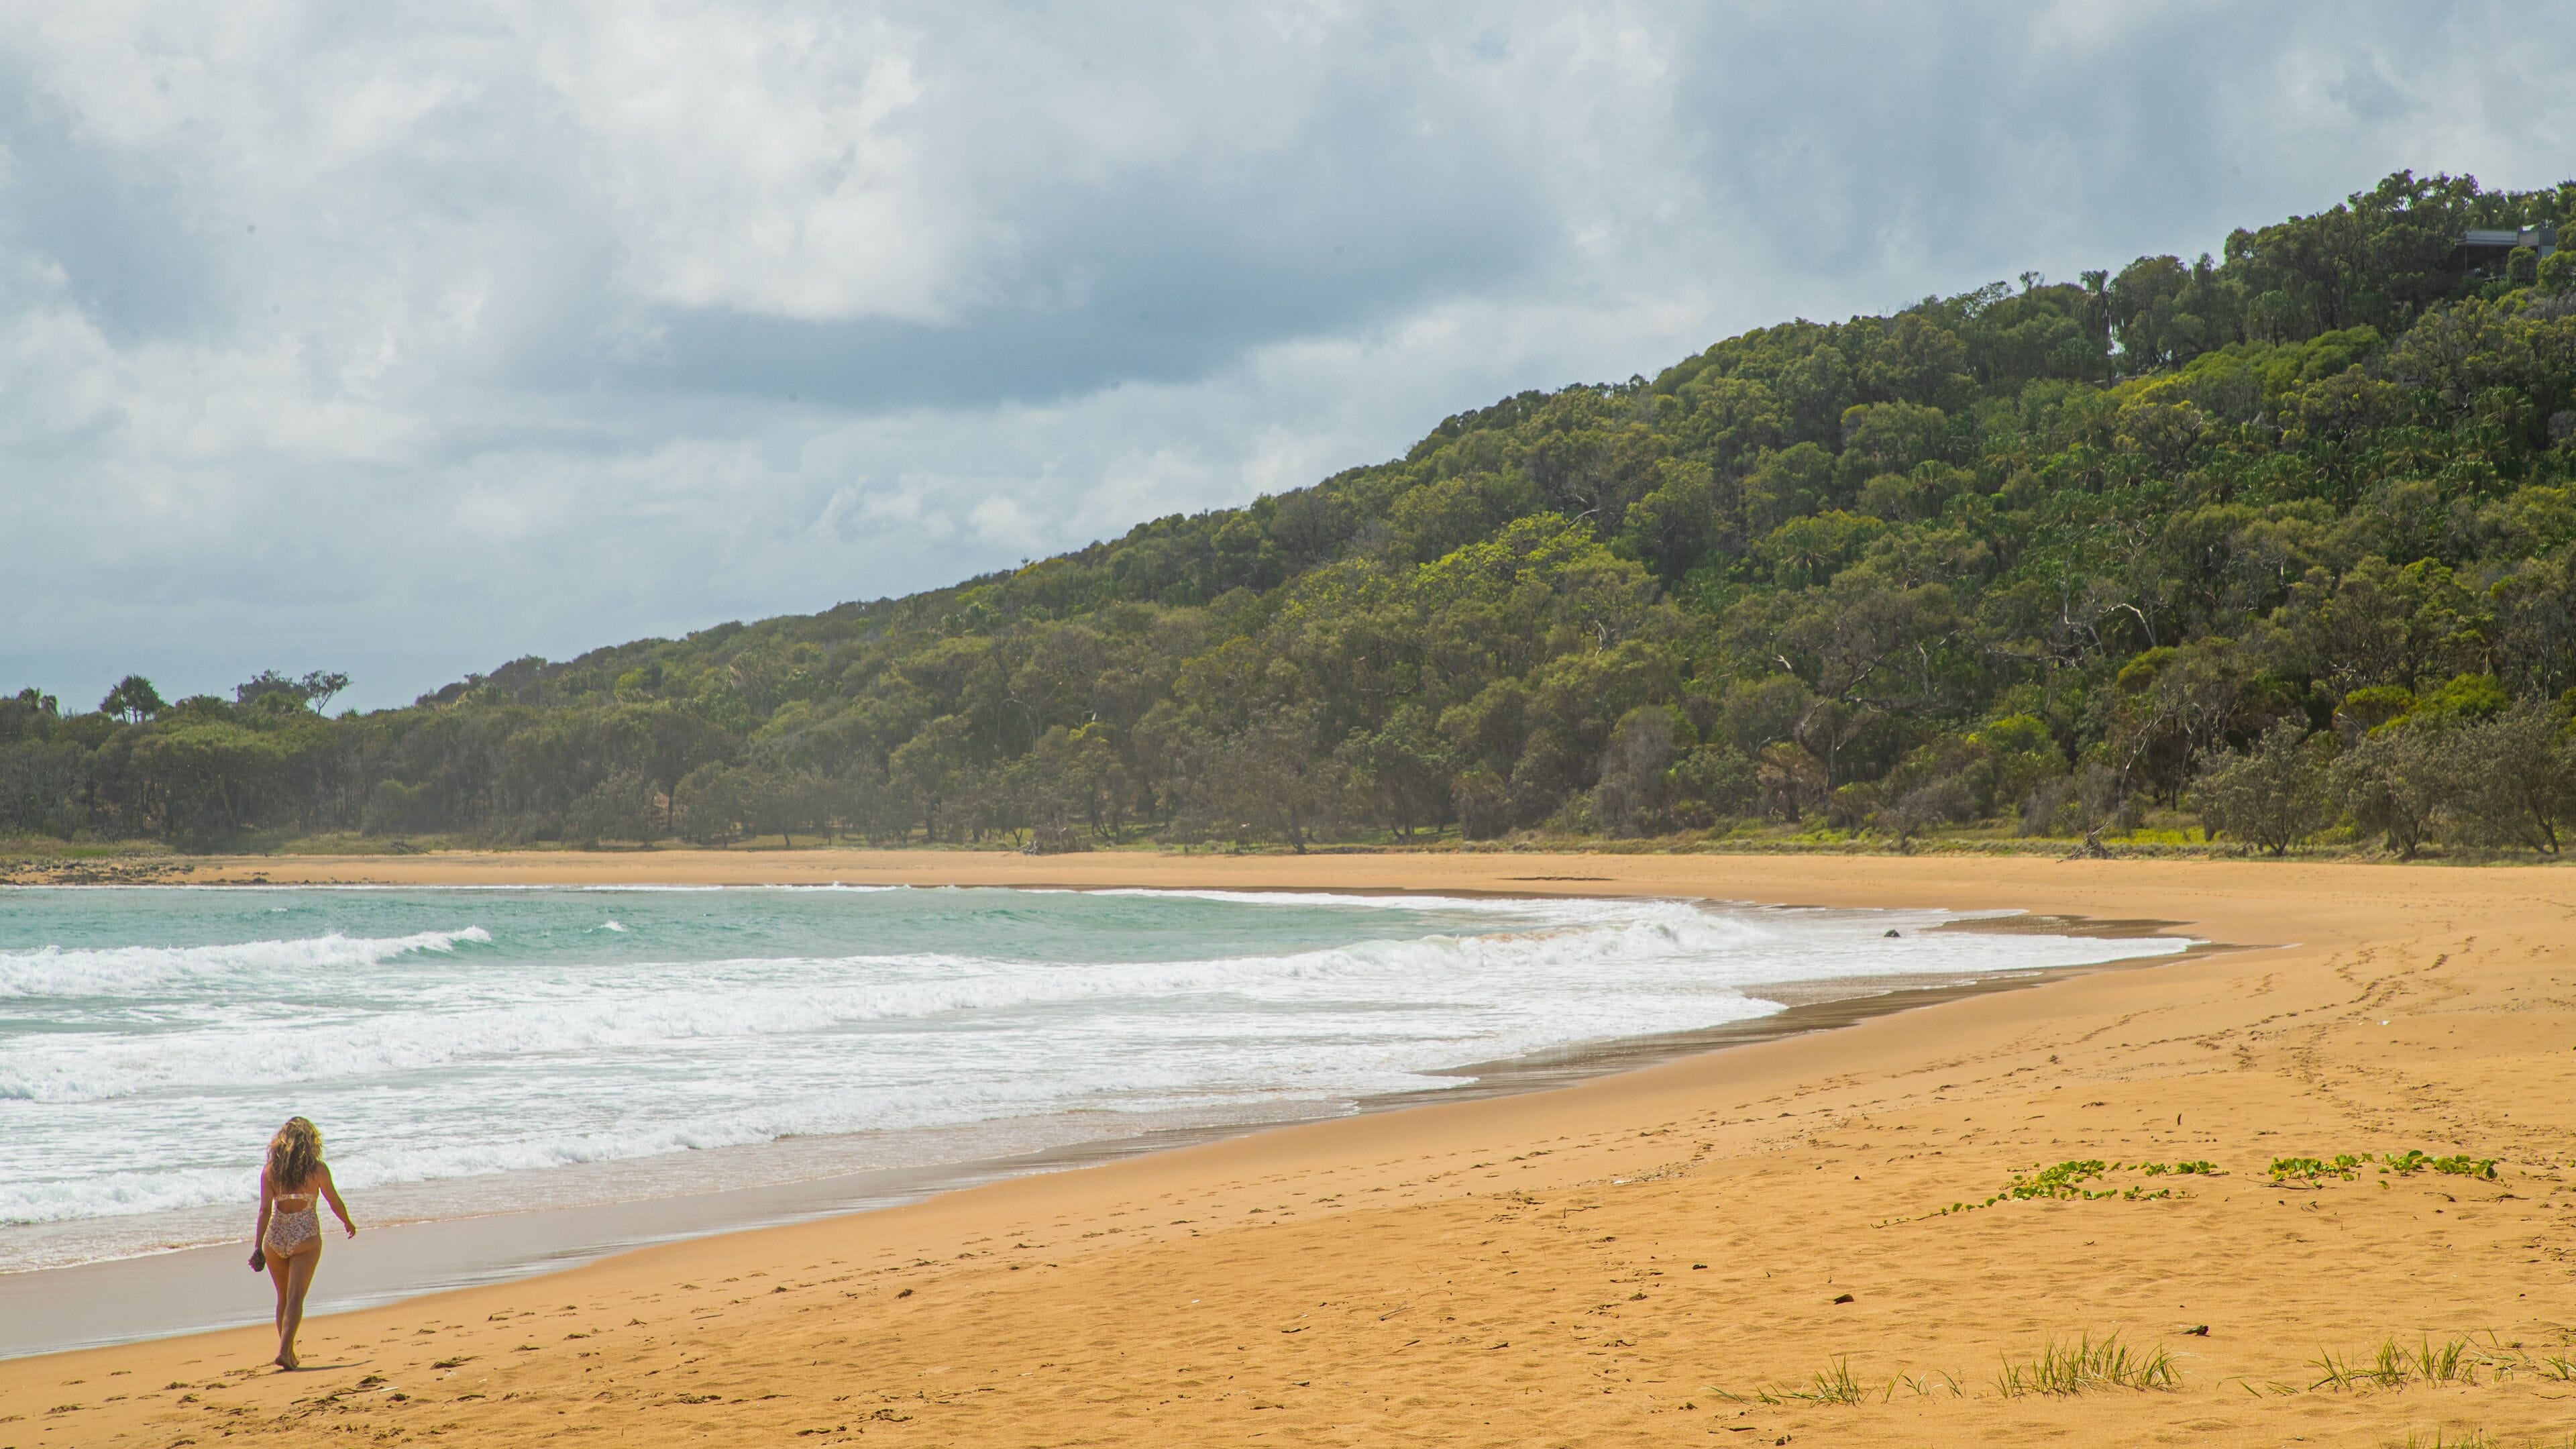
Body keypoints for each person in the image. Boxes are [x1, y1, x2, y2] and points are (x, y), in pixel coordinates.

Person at [246, 1116, 356, 1368]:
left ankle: (289, 1352)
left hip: (275, 1238)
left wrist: (257, 1246)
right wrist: (347, 1222)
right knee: (296, 1298)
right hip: (305, 1237)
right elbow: (334, 1201)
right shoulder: (317, 1170)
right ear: (310, 1142)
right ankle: (285, 1352)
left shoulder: (270, 1171)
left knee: (282, 1298)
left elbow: (264, 1211)